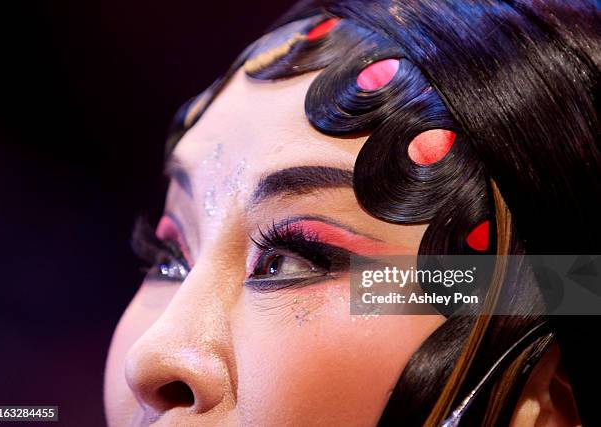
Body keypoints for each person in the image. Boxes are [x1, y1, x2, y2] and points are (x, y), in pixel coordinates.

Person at [104, 1, 600, 425]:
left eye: (294, 257)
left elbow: (584, 283)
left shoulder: (576, 285)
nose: (148, 358)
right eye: (168, 257)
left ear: (558, 397)